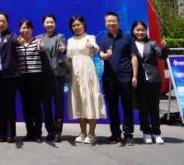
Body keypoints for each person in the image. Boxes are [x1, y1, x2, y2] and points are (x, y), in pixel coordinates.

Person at [97, 12, 139, 145]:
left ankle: (128, 134)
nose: (111, 23)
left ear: (118, 22)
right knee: (112, 107)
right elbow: (100, 55)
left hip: (125, 76)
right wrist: (104, 56)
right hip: (109, 78)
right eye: (108, 21)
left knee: (127, 105)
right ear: (105, 23)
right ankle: (115, 134)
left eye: (114, 21)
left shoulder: (127, 37)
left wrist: (134, 76)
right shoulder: (102, 39)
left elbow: (133, 56)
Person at [67, 15, 105, 145]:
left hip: (87, 72)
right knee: (79, 101)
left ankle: (92, 133)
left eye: (78, 24)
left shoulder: (90, 37)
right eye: (74, 25)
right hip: (75, 73)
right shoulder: (70, 40)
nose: (76, 27)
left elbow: (95, 48)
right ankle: (82, 132)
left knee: (89, 101)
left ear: (83, 24)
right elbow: (68, 57)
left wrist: (92, 47)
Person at [131, 20, 168, 144]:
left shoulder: (152, 43)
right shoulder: (130, 44)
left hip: (154, 80)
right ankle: (146, 133)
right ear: (133, 31)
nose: (140, 32)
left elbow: (162, 56)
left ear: (146, 31)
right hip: (139, 80)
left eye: (142, 30)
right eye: (137, 30)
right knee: (143, 108)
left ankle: (156, 133)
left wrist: (164, 48)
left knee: (154, 108)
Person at [0, 11, 20, 143]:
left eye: (3, 21)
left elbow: (18, 41)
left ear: (7, 23)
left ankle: (11, 134)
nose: (1, 24)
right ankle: (1, 133)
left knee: (10, 105)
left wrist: (21, 41)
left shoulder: (12, 36)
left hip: (10, 76)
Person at [35, 14, 68, 142]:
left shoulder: (60, 37)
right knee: (46, 105)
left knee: (58, 104)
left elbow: (63, 49)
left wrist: (63, 49)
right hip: (44, 76)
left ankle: (58, 132)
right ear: (43, 24)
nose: (49, 24)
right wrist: (39, 48)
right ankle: (50, 131)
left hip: (58, 75)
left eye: (52, 22)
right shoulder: (39, 38)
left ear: (55, 24)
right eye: (47, 22)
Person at [16, 19, 46, 142]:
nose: (25, 30)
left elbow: (42, 49)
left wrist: (41, 46)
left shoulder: (37, 42)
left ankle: (38, 133)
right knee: (26, 106)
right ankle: (30, 132)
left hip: (36, 77)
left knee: (36, 106)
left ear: (32, 29)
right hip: (22, 78)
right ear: (20, 29)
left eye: (28, 28)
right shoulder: (17, 43)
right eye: (23, 28)